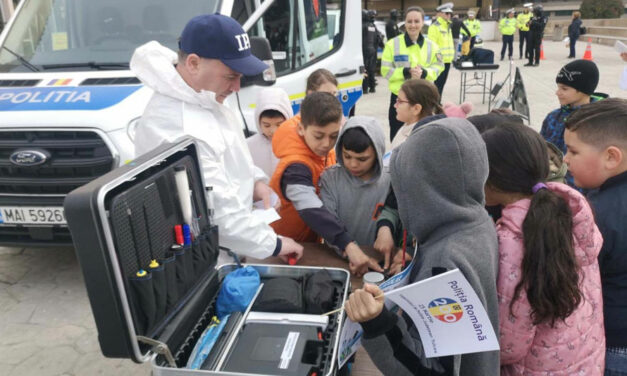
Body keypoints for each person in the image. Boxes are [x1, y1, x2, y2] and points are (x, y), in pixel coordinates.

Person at [131, 14, 303, 262]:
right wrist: (274, 244)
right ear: (193, 63)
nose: (236, 87)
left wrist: (255, 183)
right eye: (231, 76)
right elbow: (218, 212)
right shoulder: (179, 126)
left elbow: (230, 152)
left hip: (229, 247)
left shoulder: (204, 96)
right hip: (206, 259)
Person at [345, 117, 500, 375]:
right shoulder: (479, 222)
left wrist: (377, 323)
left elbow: (433, 370)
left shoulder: (444, 260)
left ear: (419, 188)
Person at [481, 123, 605, 375]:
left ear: (491, 177)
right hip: (585, 361)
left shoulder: (509, 243)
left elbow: (508, 346)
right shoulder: (570, 212)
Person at [270, 92, 382, 277]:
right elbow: (310, 207)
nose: (326, 144)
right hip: (283, 249)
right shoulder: (295, 167)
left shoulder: (319, 151)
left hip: (310, 243)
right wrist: (348, 244)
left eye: (333, 136)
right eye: (319, 135)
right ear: (300, 129)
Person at [564, 98, 627, 376]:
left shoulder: (595, 215)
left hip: (613, 342)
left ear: (611, 157)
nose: (565, 159)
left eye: (573, 151)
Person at [319, 116, 390, 252]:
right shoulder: (330, 179)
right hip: (339, 256)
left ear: (377, 153)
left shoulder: (390, 180)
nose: (353, 164)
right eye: (347, 156)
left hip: (380, 259)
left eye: (362, 159)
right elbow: (328, 224)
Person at [381, 6, 444, 142]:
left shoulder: (432, 46)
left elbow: (439, 67)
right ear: (405, 23)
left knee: (424, 135)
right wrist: (406, 71)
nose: (413, 25)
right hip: (400, 99)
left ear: (422, 23)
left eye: (416, 21)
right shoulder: (392, 44)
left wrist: (424, 73)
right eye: (409, 21)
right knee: (398, 134)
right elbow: (385, 70)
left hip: (424, 98)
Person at [540, 60, 607, 185]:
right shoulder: (553, 117)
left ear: (583, 90)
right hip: (549, 183)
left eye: (564, 88)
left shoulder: (599, 122)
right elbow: (540, 148)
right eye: (558, 87)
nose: (557, 92)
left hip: (580, 189)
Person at [246, 87, 293, 179]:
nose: (273, 131)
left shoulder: (296, 143)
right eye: (266, 125)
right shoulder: (248, 146)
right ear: (258, 122)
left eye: (279, 124)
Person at [390, 78, 444, 150]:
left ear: (416, 109)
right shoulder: (408, 127)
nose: (395, 105)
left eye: (400, 101)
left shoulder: (415, 143)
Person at [428, 2, 455, 96]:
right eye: (447, 13)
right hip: (439, 61)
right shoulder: (434, 27)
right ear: (440, 13)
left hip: (447, 61)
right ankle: (435, 103)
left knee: (442, 84)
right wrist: (439, 60)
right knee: (437, 84)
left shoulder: (447, 26)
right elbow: (432, 46)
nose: (449, 16)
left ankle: (438, 102)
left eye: (450, 14)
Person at [362, 10, 379, 94]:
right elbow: (378, 38)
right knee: (371, 69)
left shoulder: (362, 26)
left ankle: (365, 89)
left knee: (364, 69)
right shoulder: (373, 26)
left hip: (364, 50)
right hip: (372, 50)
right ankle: (372, 87)